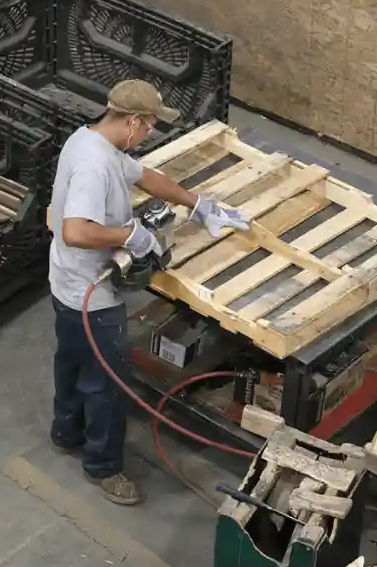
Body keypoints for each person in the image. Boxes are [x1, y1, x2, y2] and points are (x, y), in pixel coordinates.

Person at [47, 79, 251, 505]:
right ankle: (103, 466)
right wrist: (130, 237)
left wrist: (199, 205)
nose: (148, 136)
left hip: (64, 284)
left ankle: (65, 433)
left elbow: (146, 177)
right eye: (149, 128)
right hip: (91, 294)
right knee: (105, 384)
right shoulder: (93, 166)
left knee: (71, 362)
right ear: (132, 120)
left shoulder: (92, 142)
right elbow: (75, 230)